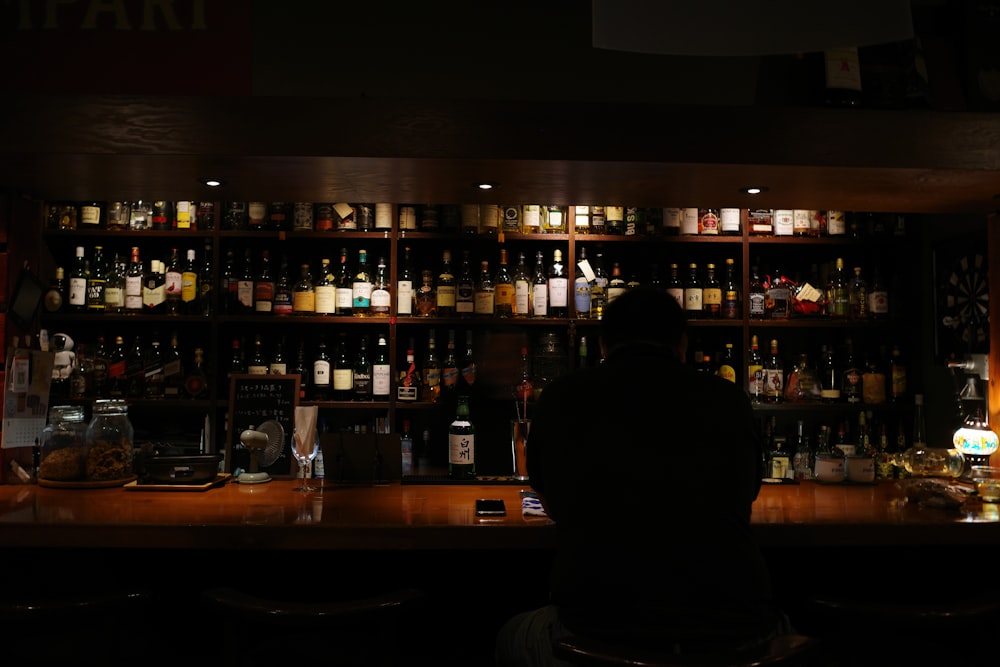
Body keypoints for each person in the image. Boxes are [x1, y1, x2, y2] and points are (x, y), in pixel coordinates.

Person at [495, 286, 786, 666]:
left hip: (596, 634)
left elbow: (552, 502)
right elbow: (747, 493)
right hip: (736, 637)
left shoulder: (564, 397)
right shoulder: (727, 399)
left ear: (602, 346)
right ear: (682, 344)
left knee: (510, 636)